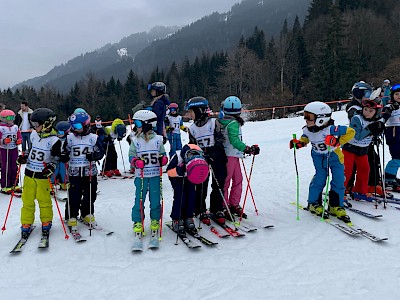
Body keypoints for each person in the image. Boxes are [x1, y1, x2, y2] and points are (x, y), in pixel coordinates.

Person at [289, 101, 355, 222]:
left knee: (339, 180)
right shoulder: (307, 129)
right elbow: (305, 137)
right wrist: (300, 143)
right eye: (305, 115)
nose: (305, 119)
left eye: (309, 117)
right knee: (320, 178)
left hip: (334, 156)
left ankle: (335, 205)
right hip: (318, 156)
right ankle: (313, 203)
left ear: (321, 118)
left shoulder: (331, 129)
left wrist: (338, 142)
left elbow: (351, 132)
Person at [17, 108, 61, 238]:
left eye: (36, 125)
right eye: (33, 124)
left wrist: (51, 167)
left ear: (47, 124)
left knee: (44, 200)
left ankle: (46, 221)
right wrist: (23, 157)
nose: (34, 127)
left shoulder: (54, 140)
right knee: (27, 200)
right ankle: (26, 223)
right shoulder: (34, 134)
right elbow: (30, 149)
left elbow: (56, 157)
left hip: (42, 175)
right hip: (30, 173)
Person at [186, 96, 227, 226]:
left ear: (199, 110)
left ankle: (217, 208)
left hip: (217, 157)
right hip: (202, 160)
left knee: (218, 183)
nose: (190, 115)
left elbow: (221, 140)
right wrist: (194, 154)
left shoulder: (214, 123)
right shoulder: (192, 128)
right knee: (201, 185)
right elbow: (192, 145)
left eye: (192, 112)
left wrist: (212, 152)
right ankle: (200, 209)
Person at [218, 96, 260, 220]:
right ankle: (224, 206)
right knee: (228, 181)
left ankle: (233, 204)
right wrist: (247, 149)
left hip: (233, 155)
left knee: (238, 179)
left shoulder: (224, 120)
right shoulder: (233, 123)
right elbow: (234, 141)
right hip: (229, 155)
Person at [129, 110, 167, 237]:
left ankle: (155, 219)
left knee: (155, 199)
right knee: (139, 199)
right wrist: (135, 161)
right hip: (141, 176)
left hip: (155, 175)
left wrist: (163, 159)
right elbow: (131, 156)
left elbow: (163, 153)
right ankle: (138, 221)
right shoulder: (136, 140)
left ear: (147, 124)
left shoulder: (158, 139)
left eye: (138, 123)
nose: (136, 126)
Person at [64, 111, 104, 232]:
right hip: (74, 172)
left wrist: (94, 156)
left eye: (77, 127)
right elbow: (64, 151)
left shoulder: (93, 138)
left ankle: (86, 213)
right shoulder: (70, 138)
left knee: (90, 194)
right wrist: (64, 155)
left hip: (89, 172)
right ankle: (71, 215)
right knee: (74, 195)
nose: (75, 129)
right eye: (73, 126)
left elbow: (100, 152)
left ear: (86, 125)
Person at [342, 91, 384, 201]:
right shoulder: (357, 118)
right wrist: (371, 129)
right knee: (347, 170)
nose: (367, 113)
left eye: (371, 111)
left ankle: (360, 190)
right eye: (365, 109)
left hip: (363, 150)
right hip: (350, 148)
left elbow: (375, 132)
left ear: (376, 112)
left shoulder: (375, 120)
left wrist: (379, 130)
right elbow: (358, 136)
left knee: (365, 170)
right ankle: (340, 191)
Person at [167, 144, 209, 233]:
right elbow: (169, 171)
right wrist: (178, 170)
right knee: (180, 196)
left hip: (190, 177)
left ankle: (188, 216)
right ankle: (177, 218)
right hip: (177, 178)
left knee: (191, 195)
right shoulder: (177, 157)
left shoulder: (199, 158)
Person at [381, 84, 400, 191]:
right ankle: (388, 177)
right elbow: (383, 117)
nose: (399, 96)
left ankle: (392, 175)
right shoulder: (389, 106)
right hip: (393, 132)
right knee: (397, 156)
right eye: (396, 94)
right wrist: (390, 110)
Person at [0, 110, 22, 193]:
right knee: (6, 167)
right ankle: (5, 185)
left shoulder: (15, 127)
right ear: (3, 118)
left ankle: (15, 184)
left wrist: (19, 140)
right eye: (10, 117)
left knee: (14, 166)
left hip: (14, 149)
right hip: (4, 150)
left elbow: (19, 136)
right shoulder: (1, 128)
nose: (11, 120)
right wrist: (4, 141)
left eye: (13, 117)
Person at [51, 121, 71, 190]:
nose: (59, 134)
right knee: (55, 169)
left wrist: (66, 154)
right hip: (56, 158)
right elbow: (52, 148)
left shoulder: (68, 139)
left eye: (61, 133)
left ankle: (64, 182)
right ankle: (52, 183)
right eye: (58, 132)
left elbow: (69, 149)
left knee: (63, 169)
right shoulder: (55, 139)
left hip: (63, 159)